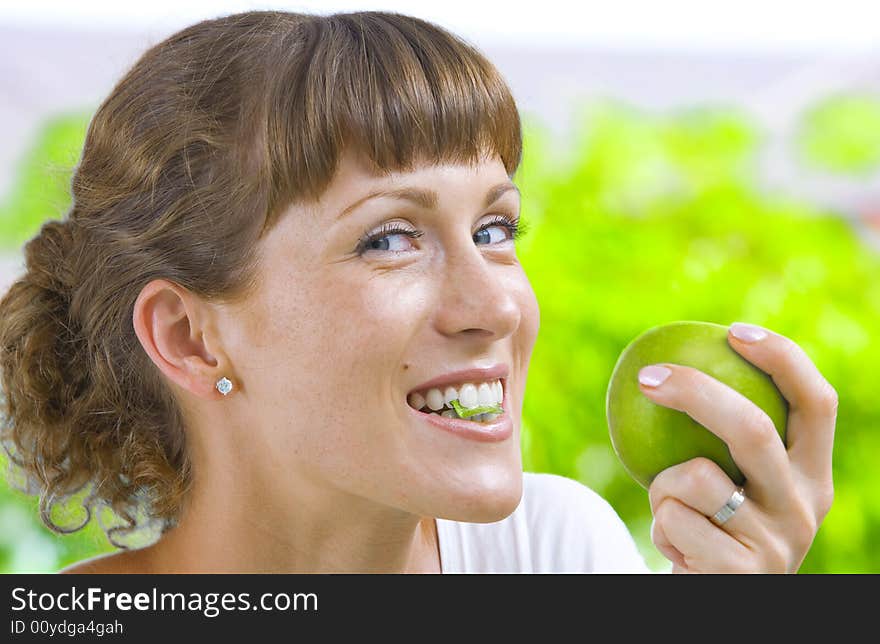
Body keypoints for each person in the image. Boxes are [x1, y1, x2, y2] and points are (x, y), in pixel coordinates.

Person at [0, 10, 836, 573]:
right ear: (190, 337)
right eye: (389, 239)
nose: (498, 308)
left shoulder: (552, 553)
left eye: (496, 230)